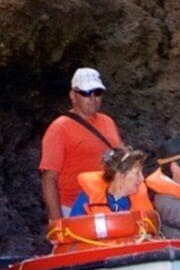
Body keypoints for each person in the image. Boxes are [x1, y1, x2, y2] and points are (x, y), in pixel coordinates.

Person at [38, 66, 128, 219]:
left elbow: (123, 161)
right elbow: (49, 177)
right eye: (86, 93)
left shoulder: (107, 121)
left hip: (108, 204)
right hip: (72, 207)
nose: (92, 98)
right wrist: (58, 221)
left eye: (97, 92)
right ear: (73, 95)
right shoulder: (59, 128)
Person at [51, 148, 158, 248]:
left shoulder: (141, 199)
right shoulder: (86, 200)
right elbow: (73, 235)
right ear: (120, 176)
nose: (142, 178)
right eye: (137, 173)